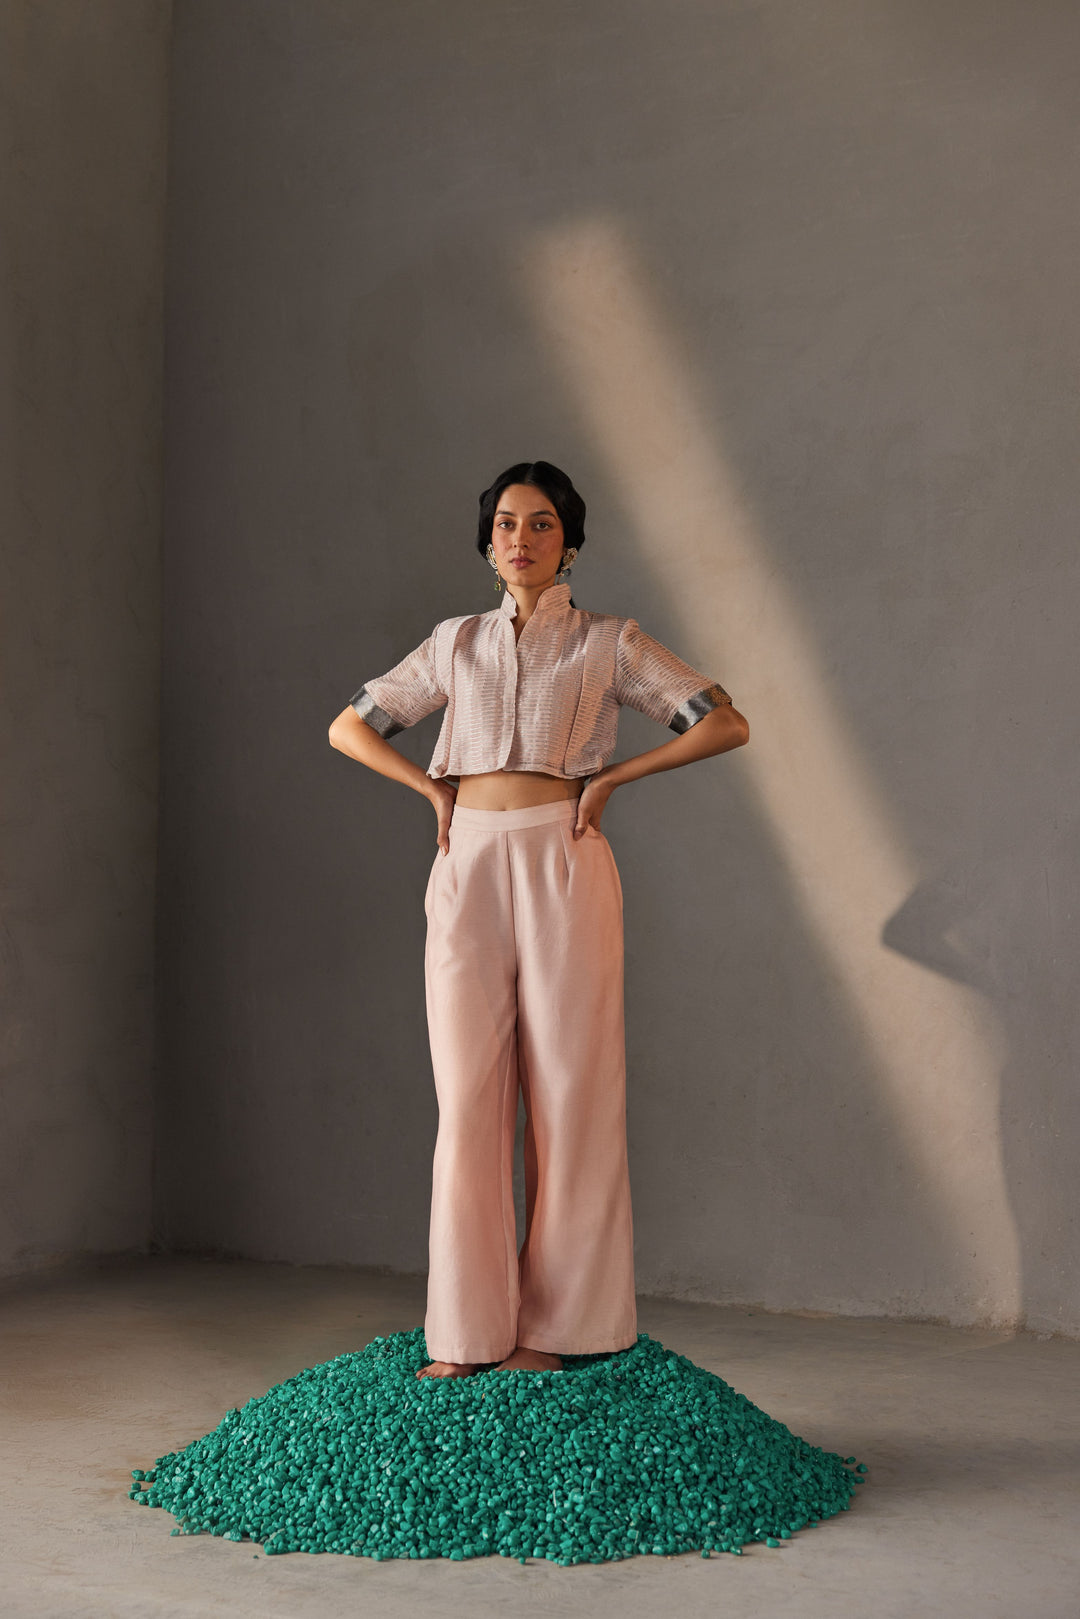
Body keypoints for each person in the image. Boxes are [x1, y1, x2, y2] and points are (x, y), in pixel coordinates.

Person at [328, 461, 749, 1382]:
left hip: (566, 854)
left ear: (572, 540)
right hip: (466, 859)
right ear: (489, 541)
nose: (523, 539)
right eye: (509, 524)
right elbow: (350, 727)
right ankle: (466, 1337)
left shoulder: (609, 641)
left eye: (544, 524)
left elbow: (724, 724)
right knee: (469, 1099)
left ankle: (561, 1332)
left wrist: (613, 779)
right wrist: (427, 791)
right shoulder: (454, 643)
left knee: (572, 1089)